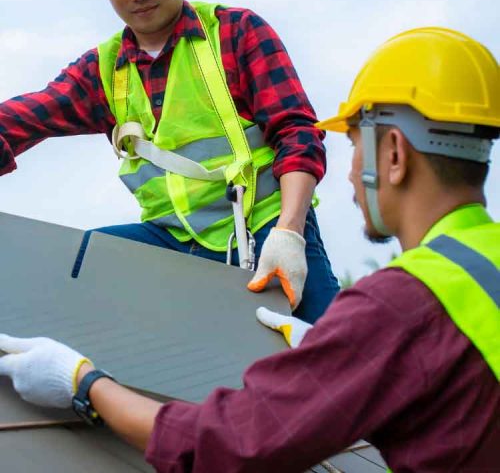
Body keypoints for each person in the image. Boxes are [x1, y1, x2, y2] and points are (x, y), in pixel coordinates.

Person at [2, 26, 499, 472]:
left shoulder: (400, 307)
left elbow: (232, 445)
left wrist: (84, 383)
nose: (348, 170)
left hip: (262, 240)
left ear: (392, 154)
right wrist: (340, 356)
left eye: (353, 143)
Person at [0, 0, 339, 323]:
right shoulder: (102, 72)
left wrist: (289, 231)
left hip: (265, 231)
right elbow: (24, 119)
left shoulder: (237, 33)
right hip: (173, 243)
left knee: (333, 357)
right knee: (79, 270)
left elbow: (298, 133)